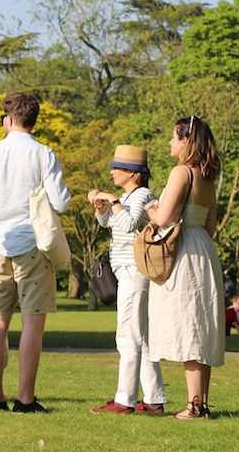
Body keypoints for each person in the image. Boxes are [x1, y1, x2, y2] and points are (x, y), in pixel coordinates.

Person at [0, 92, 71, 413]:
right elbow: (60, 202)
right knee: (32, 324)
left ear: (9, 119)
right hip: (33, 246)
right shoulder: (43, 154)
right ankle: (25, 398)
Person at [145, 115, 225, 420]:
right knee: (202, 324)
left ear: (186, 140)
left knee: (190, 324)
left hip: (185, 253)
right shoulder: (207, 177)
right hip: (204, 248)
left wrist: (151, 208)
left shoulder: (181, 172)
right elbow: (211, 226)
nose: (170, 142)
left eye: (173, 137)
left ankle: (192, 406)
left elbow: (162, 218)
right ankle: (201, 403)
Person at [87, 145, 166, 414]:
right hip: (127, 269)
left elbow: (130, 224)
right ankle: (154, 399)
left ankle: (125, 400)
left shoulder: (143, 194)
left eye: (116, 168)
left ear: (133, 173)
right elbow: (111, 224)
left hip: (134, 269)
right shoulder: (128, 194)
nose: (111, 172)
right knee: (140, 336)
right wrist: (101, 209)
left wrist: (112, 200)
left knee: (128, 336)